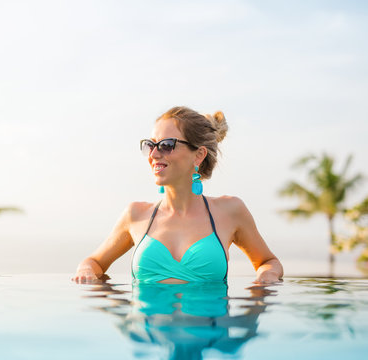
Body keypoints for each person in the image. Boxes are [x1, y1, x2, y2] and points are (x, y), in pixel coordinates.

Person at [71, 106, 283, 284]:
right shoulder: (135, 214)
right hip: (145, 334)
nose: (154, 154)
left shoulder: (231, 211)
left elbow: (268, 262)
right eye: (150, 145)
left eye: (166, 145)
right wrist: (86, 272)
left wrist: (266, 277)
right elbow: (93, 262)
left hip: (210, 334)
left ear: (198, 155)